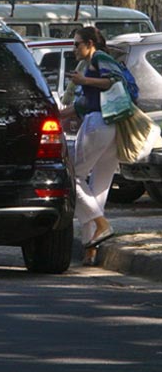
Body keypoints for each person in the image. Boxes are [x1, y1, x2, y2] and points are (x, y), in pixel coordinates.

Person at [61, 27, 119, 266]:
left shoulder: (99, 58)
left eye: (77, 44)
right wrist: (59, 113)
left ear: (90, 43)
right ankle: (91, 247)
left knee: (73, 176)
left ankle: (102, 224)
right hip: (110, 125)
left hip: (99, 124)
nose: (73, 49)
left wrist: (83, 80)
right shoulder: (89, 63)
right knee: (98, 189)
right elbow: (84, 103)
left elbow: (112, 82)